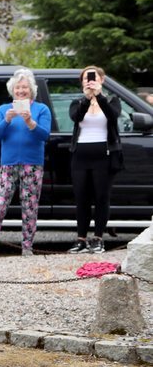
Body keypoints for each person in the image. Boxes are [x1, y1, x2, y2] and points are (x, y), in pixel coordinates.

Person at [0, 69, 52, 259]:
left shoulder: (41, 109)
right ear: (12, 90)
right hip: (8, 164)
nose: (21, 90)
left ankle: (27, 247)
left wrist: (30, 122)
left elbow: (45, 135)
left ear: (31, 90)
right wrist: (7, 120)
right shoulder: (3, 110)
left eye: (24, 87)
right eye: (18, 87)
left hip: (33, 164)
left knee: (30, 205)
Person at [67, 66, 122, 254]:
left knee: (101, 197)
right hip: (80, 155)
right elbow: (75, 117)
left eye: (93, 77)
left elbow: (113, 116)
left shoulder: (112, 100)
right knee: (81, 197)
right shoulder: (77, 102)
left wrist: (100, 97)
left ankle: (98, 238)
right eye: (85, 79)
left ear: (102, 80)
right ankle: (80, 238)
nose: (89, 81)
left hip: (104, 156)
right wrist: (87, 99)